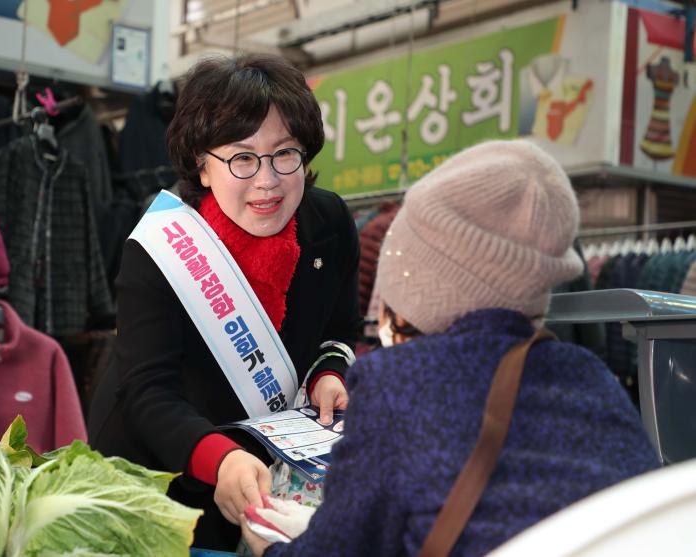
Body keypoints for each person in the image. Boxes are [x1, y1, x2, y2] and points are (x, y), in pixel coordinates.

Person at [241, 139, 660, 556]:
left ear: (421, 276)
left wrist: (269, 548)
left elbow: (339, 549)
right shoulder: (592, 378)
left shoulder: (397, 383)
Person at [88, 53, 361, 551]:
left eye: (286, 153)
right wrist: (218, 457)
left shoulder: (330, 225)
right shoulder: (160, 251)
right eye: (241, 157)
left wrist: (328, 373)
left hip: (264, 470)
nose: (267, 180)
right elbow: (148, 391)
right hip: (159, 472)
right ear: (203, 166)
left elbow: (340, 327)